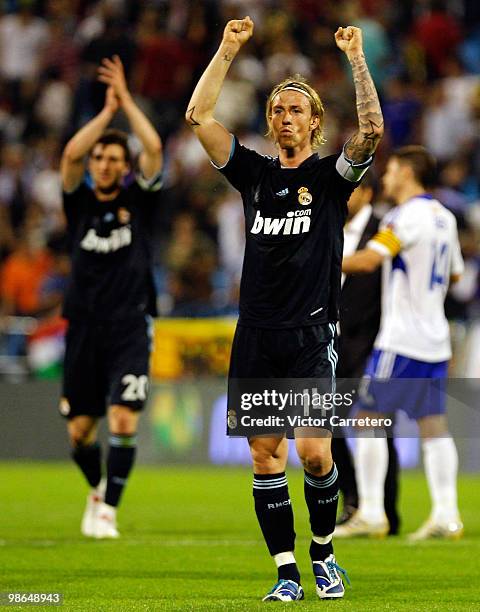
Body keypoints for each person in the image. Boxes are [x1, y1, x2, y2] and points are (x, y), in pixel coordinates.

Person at [186, 17, 383, 601]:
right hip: (257, 334)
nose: (285, 117)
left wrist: (355, 58)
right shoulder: (253, 175)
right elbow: (198, 117)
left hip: (310, 332)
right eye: (277, 110)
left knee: (315, 451)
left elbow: (370, 131)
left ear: (315, 123)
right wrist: (226, 49)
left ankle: (324, 554)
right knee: (265, 456)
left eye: (296, 110)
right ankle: (287, 573)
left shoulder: (329, 178)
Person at [337, 145, 464, 540]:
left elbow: (368, 261)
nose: (387, 179)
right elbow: (455, 275)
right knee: (434, 427)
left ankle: (372, 511)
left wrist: (314, 257)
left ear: (407, 174)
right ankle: (446, 513)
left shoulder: (403, 217)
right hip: (435, 339)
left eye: (391, 172)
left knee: (367, 419)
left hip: (401, 340)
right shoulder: (444, 218)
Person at [59, 55, 162, 539]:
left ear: (124, 169)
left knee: (123, 417)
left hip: (129, 324)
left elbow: (155, 148)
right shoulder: (77, 201)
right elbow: (69, 158)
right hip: (82, 326)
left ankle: (109, 510)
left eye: (113, 159)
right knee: (80, 431)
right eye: (99, 157)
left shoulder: (136, 201)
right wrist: (105, 114)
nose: (103, 164)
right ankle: (97, 487)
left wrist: (127, 103)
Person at [333, 174, 400, 534]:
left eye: (353, 188)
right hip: (334, 345)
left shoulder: (385, 228)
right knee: (327, 425)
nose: (345, 195)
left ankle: (386, 510)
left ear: (369, 192)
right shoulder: (330, 225)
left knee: (375, 426)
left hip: (372, 343)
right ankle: (354, 500)